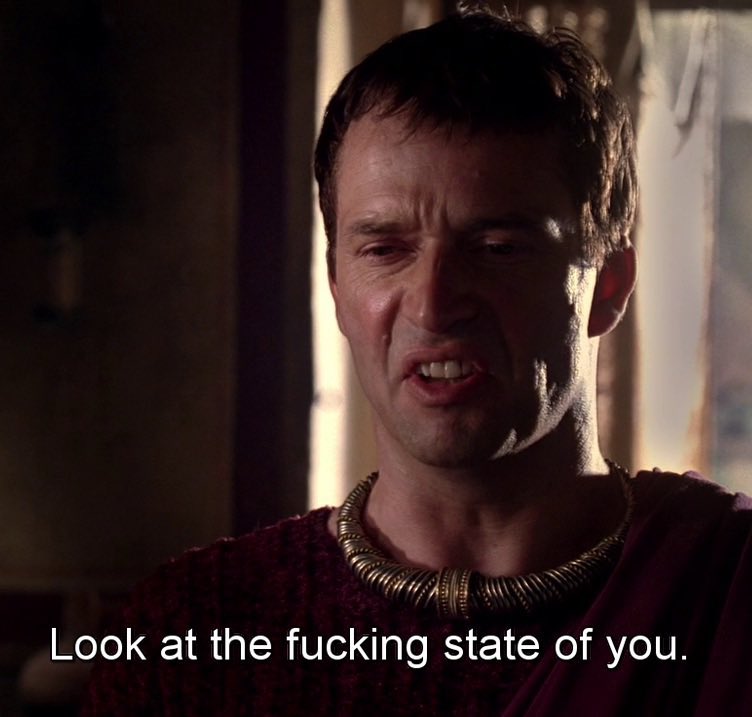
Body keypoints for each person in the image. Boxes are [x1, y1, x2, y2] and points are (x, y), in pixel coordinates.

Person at [83, 5, 752, 715]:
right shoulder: (194, 635)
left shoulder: (726, 590)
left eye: (497, 248)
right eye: (384, 249)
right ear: (337, 287)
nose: (433, 306)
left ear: (608, 286)